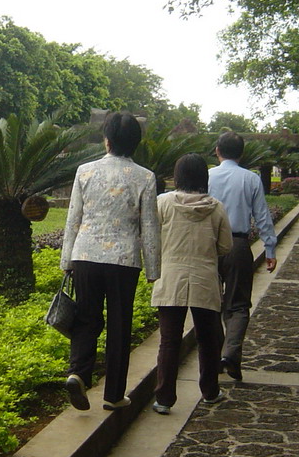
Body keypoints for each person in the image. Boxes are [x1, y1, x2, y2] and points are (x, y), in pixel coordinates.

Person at [60, 111, 161, 411]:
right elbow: (150, 227)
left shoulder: (84, 171)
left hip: (86, 255)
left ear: (106, 140)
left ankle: (78, 373)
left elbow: (73, 218)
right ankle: (114, 395)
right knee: (119, 325)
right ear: (136, 143)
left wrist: (67, 259)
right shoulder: (145, 177)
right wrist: (154, 269)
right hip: (124, 259)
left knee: (86, 319)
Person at [151, 153, 232, 415]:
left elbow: (151, 239)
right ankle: (210, 391)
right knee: (209, 338)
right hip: (205, 279)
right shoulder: (216, 207)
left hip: (170, 277)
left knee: (169, 340)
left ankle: (164, 398)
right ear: (203, 177)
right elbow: (225, 246)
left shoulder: (162, 203)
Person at [208, 131, 277, 382]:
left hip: (209, 246)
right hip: (238, 245)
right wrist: (269, 248)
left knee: (210, 305)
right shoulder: (251, 179)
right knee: (238, 305)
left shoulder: (207, 176)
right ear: (242, 154)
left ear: (217, 150)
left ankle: (214, 358)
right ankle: (231, 354)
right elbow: (262, 216)